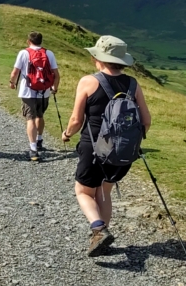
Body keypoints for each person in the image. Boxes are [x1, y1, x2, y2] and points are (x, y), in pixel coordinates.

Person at [60, 35, 152, 256]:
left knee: (83, 191)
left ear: (98, 59)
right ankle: (101, 238)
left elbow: (76, 120)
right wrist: (128, 141)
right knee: (104, 192)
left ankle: (99, 229)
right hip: (123, 151)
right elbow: (146, 121)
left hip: (93, 148)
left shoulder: (88, 81)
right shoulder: (133, 84)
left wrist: (66, 134)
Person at [9, 31, 60, 161]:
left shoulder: (23, 53)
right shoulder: (49, 53)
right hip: (44, 91)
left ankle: (33, 149)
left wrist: (12, 83)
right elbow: (56, 74)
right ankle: (39, 140)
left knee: (30, 118)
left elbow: (15, 72)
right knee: (40, 115)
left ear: (28, 41)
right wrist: (54, 87)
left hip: (27, 91)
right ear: (41, 41)